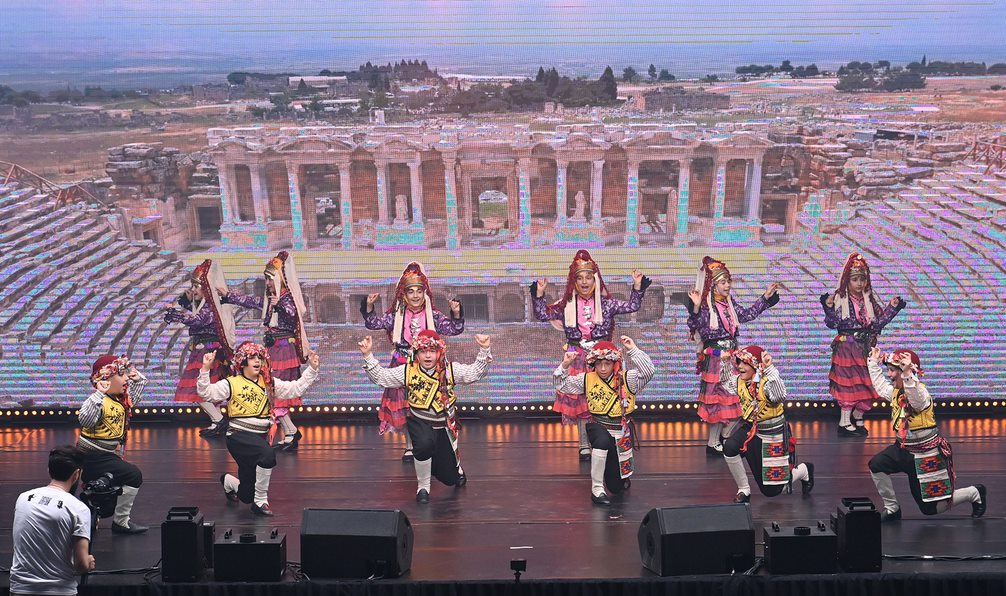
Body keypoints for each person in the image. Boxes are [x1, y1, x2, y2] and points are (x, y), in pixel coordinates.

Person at [532, 249, 650, 460]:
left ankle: (608, 440)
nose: (584, 282)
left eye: (588, 277)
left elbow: (632, 306)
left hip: (603, 358)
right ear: (574, 281)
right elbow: (542, 314)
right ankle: (583, 444)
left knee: (606, 398)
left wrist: (637, 286)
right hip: (577, 357)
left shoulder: (606, 304)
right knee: (582, 403)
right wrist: (539, 294)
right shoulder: (566, 304)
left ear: (595, 280)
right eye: (580, 278)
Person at [360, 331, 492, 503]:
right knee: (423, 446)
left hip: (444, 426)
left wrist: (484, 349)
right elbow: (382, 377)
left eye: (432, 351)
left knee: (448, 477)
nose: (428, 356)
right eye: (423, 351)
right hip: (419, 421)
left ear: (439, 352)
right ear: (416, 353)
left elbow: (475, 373)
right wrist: (368, 355)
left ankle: (456, 470)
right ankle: (423, 487)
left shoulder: (450, 370)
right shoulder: (408, 371)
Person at [197, 342, 320, 516]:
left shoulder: (268, 383)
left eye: (260, 358)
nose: (257, 361)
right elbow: (206, 393)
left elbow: (295, 389)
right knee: (268, 455)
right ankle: (260, 501)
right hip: (239, 437)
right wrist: (205, 369)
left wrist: (312, 369)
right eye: (252, 358)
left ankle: (228, 482)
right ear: (242, 362)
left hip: (259, 438)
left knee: (246, 495)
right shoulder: (232, 383)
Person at [866, 347, 986, 521]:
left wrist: (907, 374)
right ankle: (892, 508)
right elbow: (880, 385)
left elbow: (914, 398)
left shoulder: (921, 393)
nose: (889, 375)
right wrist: (873, 362)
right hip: (903, 449)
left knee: (930, 509)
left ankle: (974, 493)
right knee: (876, 465)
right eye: (889, 370)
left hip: (925, 455)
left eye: (892, 370)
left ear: (905, 372)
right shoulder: (896, 392)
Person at [362, 262, 464, 461]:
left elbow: (454, 329)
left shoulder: (433, 315)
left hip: (428, 366)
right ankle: (410, 445)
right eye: (411, 291)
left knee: (429, 405)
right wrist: (369, 307)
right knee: (405, 409)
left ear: (425, 293)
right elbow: (374, 324)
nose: (415, 296)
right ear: (404, 294)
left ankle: (432, 444)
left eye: (419, 291)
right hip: (402, 365)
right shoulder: (396, 315)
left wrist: (456, 313)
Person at [686, 256, 780, 455]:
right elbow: (695, 325)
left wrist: (765, 297)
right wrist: (695, 307)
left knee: (738, 398)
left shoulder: (729, 304)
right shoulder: (705, 306)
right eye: (723, 282)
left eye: (728, 281)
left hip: (733, 357)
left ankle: (725, 436)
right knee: (717, 402)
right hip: (716, 359)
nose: (727, 285)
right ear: (713, 285)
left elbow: (745, 315)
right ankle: (713, 443)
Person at [221, 251, 311, 450]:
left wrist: (280, 306)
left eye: (270, 279)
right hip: (274, 350)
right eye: (267, 279)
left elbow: (295, 315)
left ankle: (290, 432)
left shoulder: (287, 298)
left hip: (284, 351)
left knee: (276, 393)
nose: (268, 283)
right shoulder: (272, 299)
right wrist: (228, 296)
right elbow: (253, 302)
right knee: (272, 392)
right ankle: (290, 432)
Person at [553, 336, 655, 505]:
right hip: (598, 425)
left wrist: (633, 349)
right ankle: (597, 489)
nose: (602, 368)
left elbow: (648, 372)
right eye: (599, 363)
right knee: (602, 440)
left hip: (620, 431)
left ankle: (619, 479)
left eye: (607, 364)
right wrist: (565, 364)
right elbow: (560, 384)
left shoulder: (627, 379)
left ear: (614, 363)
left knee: (616, 486)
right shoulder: (587, 379)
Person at [822, 252, 906, 437]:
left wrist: (892, 308)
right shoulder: (840, 299)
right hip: (847, 348)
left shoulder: (868, 300)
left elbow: (877, 324)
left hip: (866, 348)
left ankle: (858, 416)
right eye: (855, 279)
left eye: (862, 279)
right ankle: (844, 423)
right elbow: (832, 323)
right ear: (847, 281)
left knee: (869, 385)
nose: (859, 283)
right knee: (849, 386)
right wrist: (828, 308)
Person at [719, 346, 814, 503]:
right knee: (729, 446)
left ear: (755, 365)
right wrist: (725, 362)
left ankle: (804, 470)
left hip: (772, 434)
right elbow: (725, 382)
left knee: (771, 491)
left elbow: (779, 396)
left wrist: (769, 368)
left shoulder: (766, 382)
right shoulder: (739, 381)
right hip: (751, 429)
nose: (740, 366)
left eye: (745, 363)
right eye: (739, 362)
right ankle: (744, 489)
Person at [164, 259, 243, 437]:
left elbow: (197, 320)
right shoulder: (205, 304)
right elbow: (197, 314)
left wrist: (174, 313)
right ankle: (216, 421)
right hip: (204, 351)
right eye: (192, 286)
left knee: (198, 389)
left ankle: (219, 420)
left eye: (196, 286)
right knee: (207, 390)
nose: (193, 290)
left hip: (208, 353)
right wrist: (186, 303)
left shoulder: (211, 305)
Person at [76, 355, 148, 534]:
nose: (126, 379)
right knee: (133, 475)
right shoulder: (98, 400)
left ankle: (95, 512)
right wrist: (98, 394)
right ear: (106, 379)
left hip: (106, 455)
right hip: (93, 456)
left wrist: (138, 379)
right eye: (121, 375)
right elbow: (85, 420)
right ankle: (121, 522)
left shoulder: (120, 400)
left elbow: (134, 396)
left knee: (113, 487)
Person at [10, 446, 95, 596]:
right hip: (60, 590)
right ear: (76, 474)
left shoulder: (23, 498)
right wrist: (88, 562)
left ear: (49, 471)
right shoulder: (78, 508)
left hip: (19, 589)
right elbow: (81, 565)